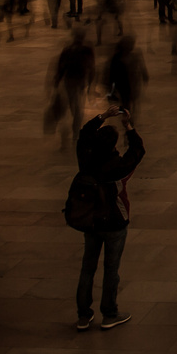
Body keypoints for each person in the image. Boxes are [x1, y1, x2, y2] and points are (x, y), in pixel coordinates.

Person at [72, 104, 145, 331]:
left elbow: (84, 135)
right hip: (114, 223)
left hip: (91, 221)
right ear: (114, 145)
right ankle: (109, 314)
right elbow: (138, 150)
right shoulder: (119, 167)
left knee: (87, 268)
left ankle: (84, 316)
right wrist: (128, 125)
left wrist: (103, 116)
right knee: (111, 270)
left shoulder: (85, 160)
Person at [52, 28, 97, 149]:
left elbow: (60, 67)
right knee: (77, 108)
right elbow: (91, 68)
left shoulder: (68, 50)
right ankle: (75, 133)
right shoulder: (86, 50)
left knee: (74, 107)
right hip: (78, 82)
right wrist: (90, 86)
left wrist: (56, 82)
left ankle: (73, 132)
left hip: (71, 82)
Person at [103, 35, 149, 121]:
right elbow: (112, 73)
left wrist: (144, 74)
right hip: (124, 85)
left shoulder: (132, 55)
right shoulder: (118, 57)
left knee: (131, 103)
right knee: (127, 104)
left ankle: (129, 119)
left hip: (131, 84)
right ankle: (129, 121)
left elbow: (141, 67)